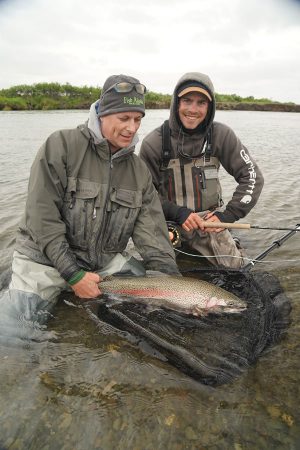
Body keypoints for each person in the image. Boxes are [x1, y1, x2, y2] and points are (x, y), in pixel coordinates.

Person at [3, 74, 179, 328]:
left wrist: (174, 289)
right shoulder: (60, 145)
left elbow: (154, 240)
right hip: (44, 262)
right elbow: (41, 219)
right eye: (124, 118)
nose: (132, 128)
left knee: (160, 302)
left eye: (138, 119)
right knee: (13, 336)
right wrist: (73, 275)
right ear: (102, 114)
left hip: (103, 266)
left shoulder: (139, 172)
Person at [139, 72, 264, 269]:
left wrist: (228, 216)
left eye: (201, 103)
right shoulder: (153, 142)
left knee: (236, 271)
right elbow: (143, 195)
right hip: (170, 223)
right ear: (176, 103)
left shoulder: (222, 135)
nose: (193, 109)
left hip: (211, 224)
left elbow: (252, 177)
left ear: (210, 107)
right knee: (163, 278)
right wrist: (178, 213)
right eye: (187, 101)